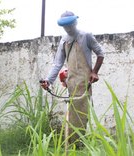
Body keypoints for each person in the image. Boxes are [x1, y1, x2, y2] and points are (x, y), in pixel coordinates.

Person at [40, 11, 104, 149]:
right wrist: (48, 81)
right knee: (72, 116)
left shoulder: (86, 36)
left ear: (75, 22)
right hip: (71, 83)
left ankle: (76, 146)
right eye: (65, 26)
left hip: (84, 83)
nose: (68, 28)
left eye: (70, 25)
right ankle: (73, 146)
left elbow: (100, 53)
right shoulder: (63, 40)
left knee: (81, 115)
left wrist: (95, 72)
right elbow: (57, 64)